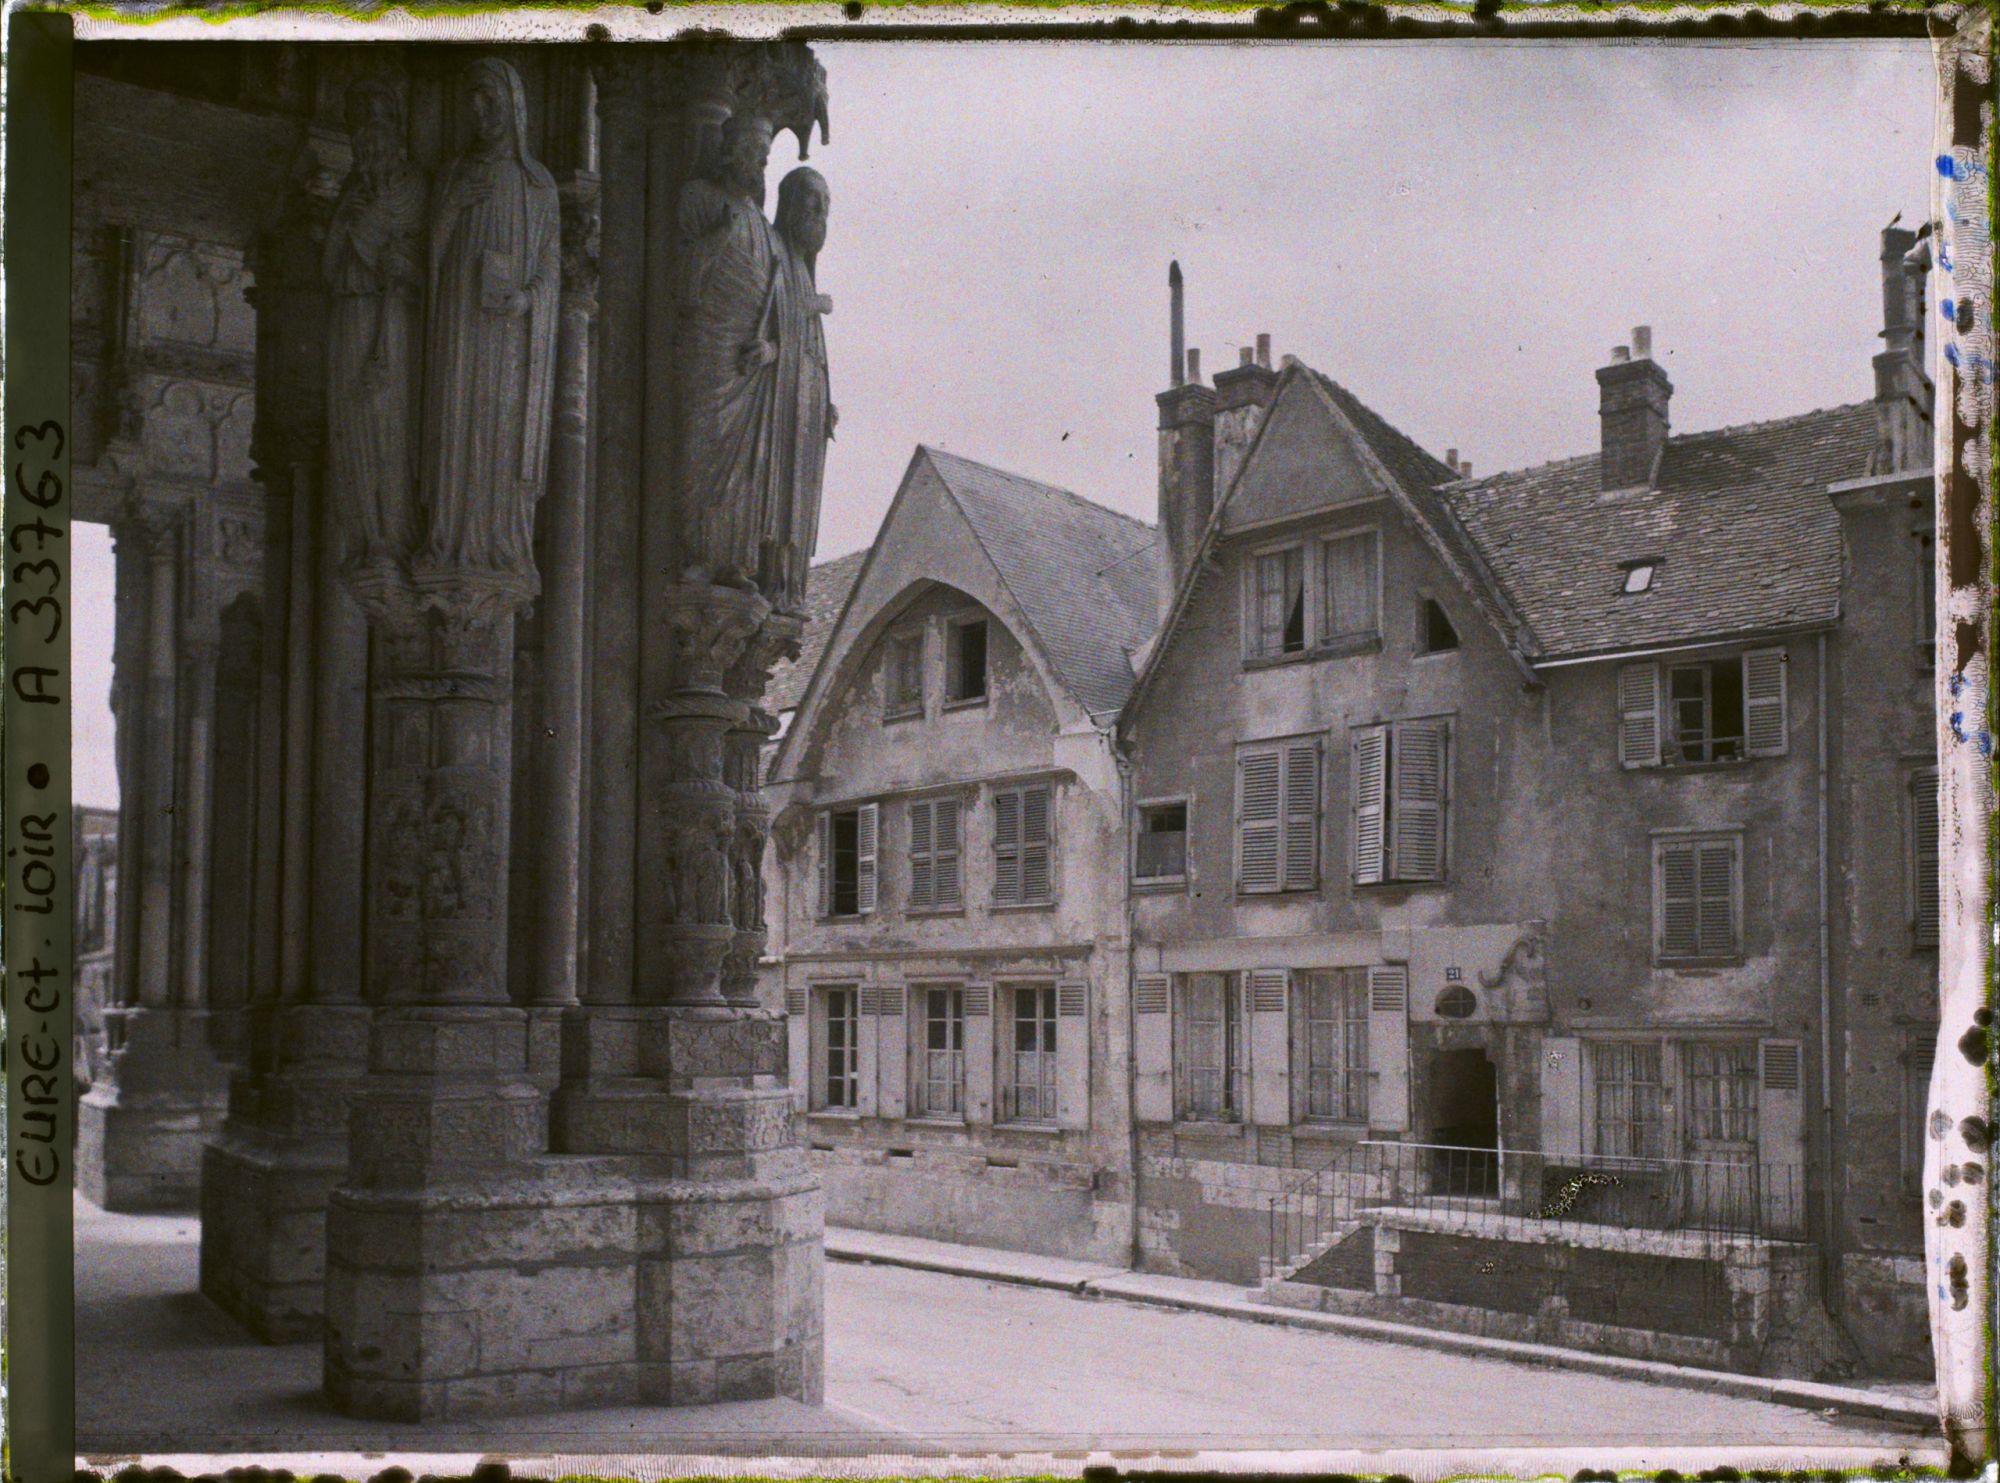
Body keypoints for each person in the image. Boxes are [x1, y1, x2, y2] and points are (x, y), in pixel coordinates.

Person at [416, 57, 559, 592]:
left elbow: (550, 263)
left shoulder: (538, 185)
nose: (480, 112)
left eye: (489, 100)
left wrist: (526, 300)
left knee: (498, 429)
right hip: (459, 330)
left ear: (514, 107)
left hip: (511, 336)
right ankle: (451, 536)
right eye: (472, 101)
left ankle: (501, 543)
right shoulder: (455, 174)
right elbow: (429, 255)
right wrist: (450, 209)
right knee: (458, 419)